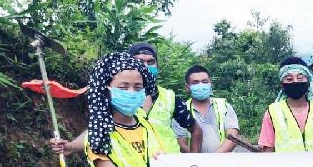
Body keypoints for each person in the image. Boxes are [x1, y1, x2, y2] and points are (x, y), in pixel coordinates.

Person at [49, 41, 202, 155]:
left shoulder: (169, 98)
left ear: (157, 65)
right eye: (139, 61)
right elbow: (98, 128)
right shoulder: (117, 99)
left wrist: (194, 161)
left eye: (151, 62)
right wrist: (72, 146)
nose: (145, 66)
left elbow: (195, 129)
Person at [258, 57, 313, 152]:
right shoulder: (273, 112)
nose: (295, 82)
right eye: (289, 79)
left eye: (300, 78)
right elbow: (268, 151)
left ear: (308, 82)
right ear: (282, 84)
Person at [172, 65, 239, 153]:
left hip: (223, 161)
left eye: (205, 81)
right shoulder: (181, 111)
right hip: (194, 161)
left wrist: (213, 158)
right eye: (195, 82)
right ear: (187, 87)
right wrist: (196, 159)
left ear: (210, 84)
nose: (201, 85)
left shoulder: (224, 106)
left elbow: (233, 138)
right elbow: (181, 143)